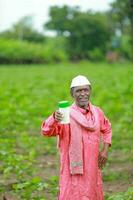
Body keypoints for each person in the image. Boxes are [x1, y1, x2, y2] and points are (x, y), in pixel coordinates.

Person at [41, 75, 112, 200]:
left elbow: (107, 128)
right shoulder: (65, 114)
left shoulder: (97, 113)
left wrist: (105, 150)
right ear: (72, 94)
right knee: (72, 193)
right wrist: (53, 118)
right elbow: (46, 131)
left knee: (92, 191)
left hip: (92, 166)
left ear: (90, 91)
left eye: (85, 90)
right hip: (72, 167)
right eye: (78, 91)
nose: (83, 94)